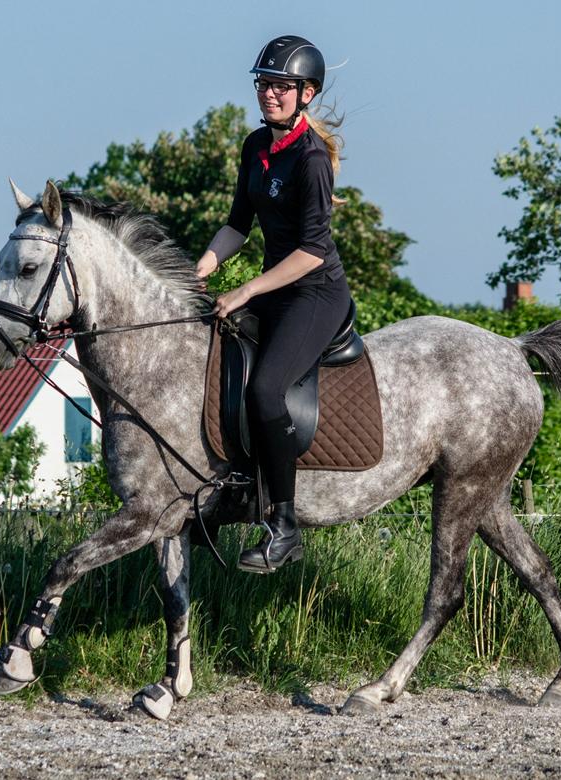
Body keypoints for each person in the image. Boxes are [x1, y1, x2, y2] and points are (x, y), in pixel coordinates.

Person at [195, 34, 351, 574]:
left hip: (315, 293)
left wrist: (242, 291)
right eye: (264, 84)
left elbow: (311, 252)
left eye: (282, 86)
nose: (270, 94)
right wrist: (200, 271)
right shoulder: (254, 147)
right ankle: (227, 490)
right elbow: (238, 224)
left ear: (307, 93)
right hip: (277, 288)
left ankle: (283, 527)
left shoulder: (310, 159)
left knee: (264, 388)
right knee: (206, 352)